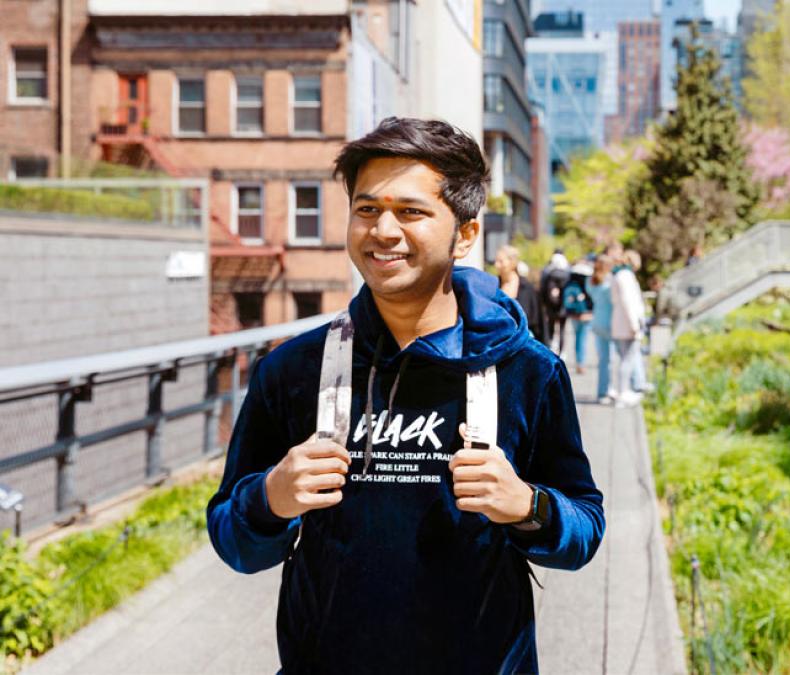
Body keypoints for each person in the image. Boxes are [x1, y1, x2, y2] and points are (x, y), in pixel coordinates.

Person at [206, 118, 605, 674]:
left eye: (410, 212)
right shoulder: (292, 370)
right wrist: (271, 496)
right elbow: (234, 541)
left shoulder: (528, 371)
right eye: (366, 209)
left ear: (465, 234)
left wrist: (528, 506)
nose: (383, 230)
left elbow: (584, 529)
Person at [611, 250, 648, 407]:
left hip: (621, 322)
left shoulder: (617, 275)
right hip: (629, 323)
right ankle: (623, 391)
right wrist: (634, 324)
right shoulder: (625, 276)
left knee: (626, 357)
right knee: (628, 358)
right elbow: (628, 301)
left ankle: (623, 390)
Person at [495, 244, 543, 343]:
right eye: (496, 261)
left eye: (501, 261)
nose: (497, 265)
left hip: (524, 343)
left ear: (512, 262)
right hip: (499, 343)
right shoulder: (493, 286)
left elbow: (538, 320)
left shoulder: (528, 288)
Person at [586, 255, 616, 404]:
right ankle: (608, 389)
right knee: (613, 359)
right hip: (610, 322)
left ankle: (602, 391)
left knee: (603, 359)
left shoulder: (590, 281)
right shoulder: (610, 281)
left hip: (597, 321)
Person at [562, 257, 593, 375]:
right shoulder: (583, 286)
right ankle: (580, 362)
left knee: (579, 339)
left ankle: (580, 362)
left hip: (576, 316)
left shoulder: (570, 286)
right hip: (584, 316)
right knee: (582, 339)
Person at [539, 251, 570, 353]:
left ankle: (551, 348)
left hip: (550, 306)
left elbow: (542, 289)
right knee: (562, 330)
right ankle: (562, 351)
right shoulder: (568, 274)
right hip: (563, 306)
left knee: (551, 328)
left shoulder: (548, 273)